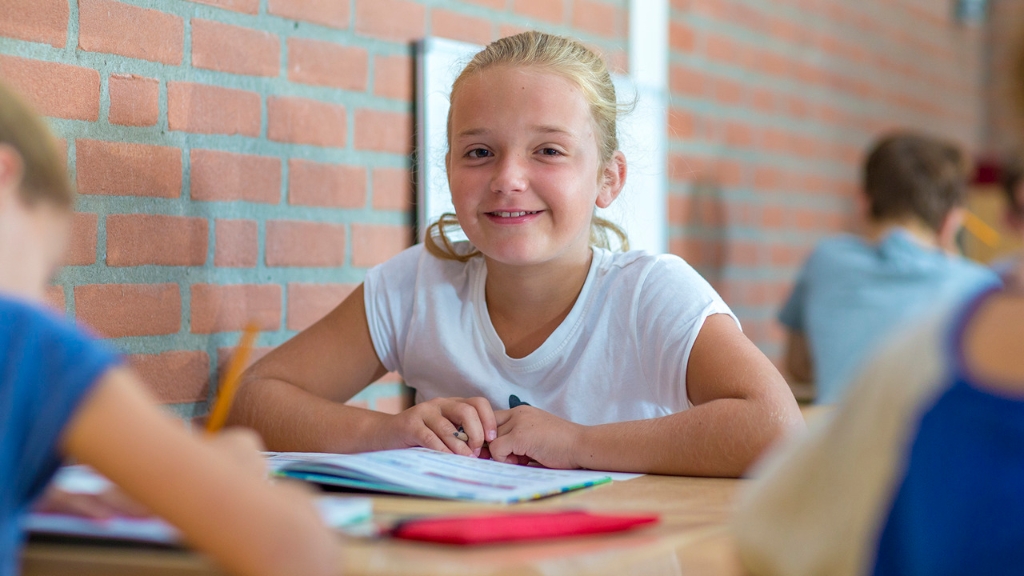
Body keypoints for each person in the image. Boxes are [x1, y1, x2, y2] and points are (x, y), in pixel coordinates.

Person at [227, 31, 803, 477]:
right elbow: (252, 401)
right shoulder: (416, 285)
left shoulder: (649, 294)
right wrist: (389, 431)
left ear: (608, 178)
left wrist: (578, 444)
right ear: (447, 169)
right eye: (479, 152)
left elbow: (776, 428)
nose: (508, 178)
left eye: (548, 151)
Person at [0, 81, 340, 576]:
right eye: (43, 272)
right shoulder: (28, 344)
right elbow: (297, 553)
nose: (39, 299)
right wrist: (237, 478)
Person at [780, 132, 1000, 404]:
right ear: (950, 220)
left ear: (863, 203)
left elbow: (799, 365)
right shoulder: (982, 286)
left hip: (845, 440)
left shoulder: (826, 259)